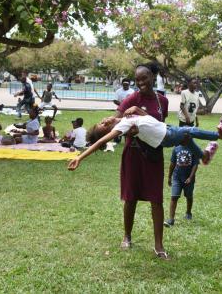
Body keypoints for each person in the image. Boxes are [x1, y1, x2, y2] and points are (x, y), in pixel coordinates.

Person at [69, 63, 172, 259]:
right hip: (133, 154)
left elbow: (159, 126)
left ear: (152, 77)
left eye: (144, 78)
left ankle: (159, 245)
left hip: (154, 155)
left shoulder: (163, 101)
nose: (141, 83)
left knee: (156, 200)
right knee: (130, 197)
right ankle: (127, 235)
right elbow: (116, 121)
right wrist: (104, 125)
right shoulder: (132, 98)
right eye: (137, 80)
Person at [74, 109, 222, 167]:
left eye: (101, 121)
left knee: (187, 139)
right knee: (188, 131)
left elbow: (148, 117)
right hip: (165, 135)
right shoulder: (120, 128)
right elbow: (100, 142)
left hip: (165, 130)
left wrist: (135, 109)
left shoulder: (123, 120)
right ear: (107, 131)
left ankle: (204, 156)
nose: (104, 120)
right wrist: (80, 158)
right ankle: (219, 134)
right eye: (102, 125)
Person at [164, 143, 200, 227]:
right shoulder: (176, 149)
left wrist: (190, 177)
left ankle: (188, 212)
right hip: (177, 177)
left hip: (188, 178)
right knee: (174, 197)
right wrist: (169, 177)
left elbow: (195, 165)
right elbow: (172, 164)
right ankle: (171, 220)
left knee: (189, 196)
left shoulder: (194, 148)